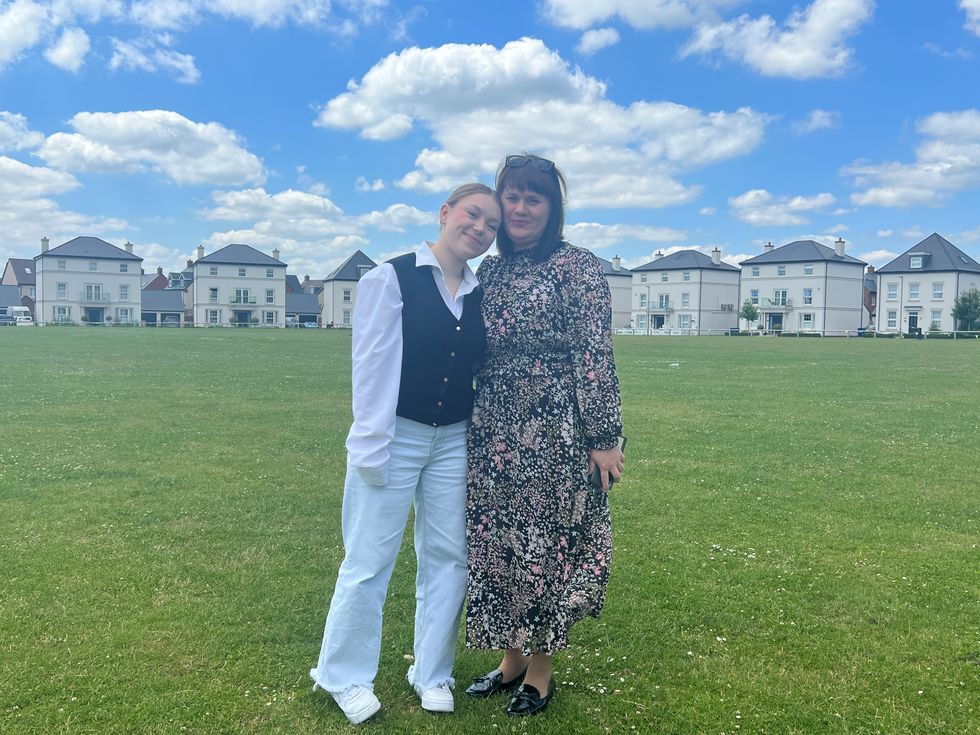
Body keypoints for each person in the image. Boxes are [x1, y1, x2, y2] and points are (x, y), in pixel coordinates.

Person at [310, 183, 501, 725]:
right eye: (472, 215)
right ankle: (343, 675)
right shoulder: (389, 278)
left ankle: (432, 671)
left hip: (454, 440)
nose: (481, 230)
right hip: (395, 434)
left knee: (449, 558)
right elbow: (371, 367)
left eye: (491, 225)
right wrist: (370, 445)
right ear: (445, 213)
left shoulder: (479, 290)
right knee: (369, 559)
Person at [464, 154, 624, 716]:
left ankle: (541, 670)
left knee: (548, 543)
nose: (521, 207)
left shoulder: (576, 266)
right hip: (493, 427)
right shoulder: (490, 271)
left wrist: (605, 436)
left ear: (552, 208)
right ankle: (509, 659)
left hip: (557, 425)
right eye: (513, 195)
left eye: (535, 197)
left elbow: (594, 353)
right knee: (498, 538)